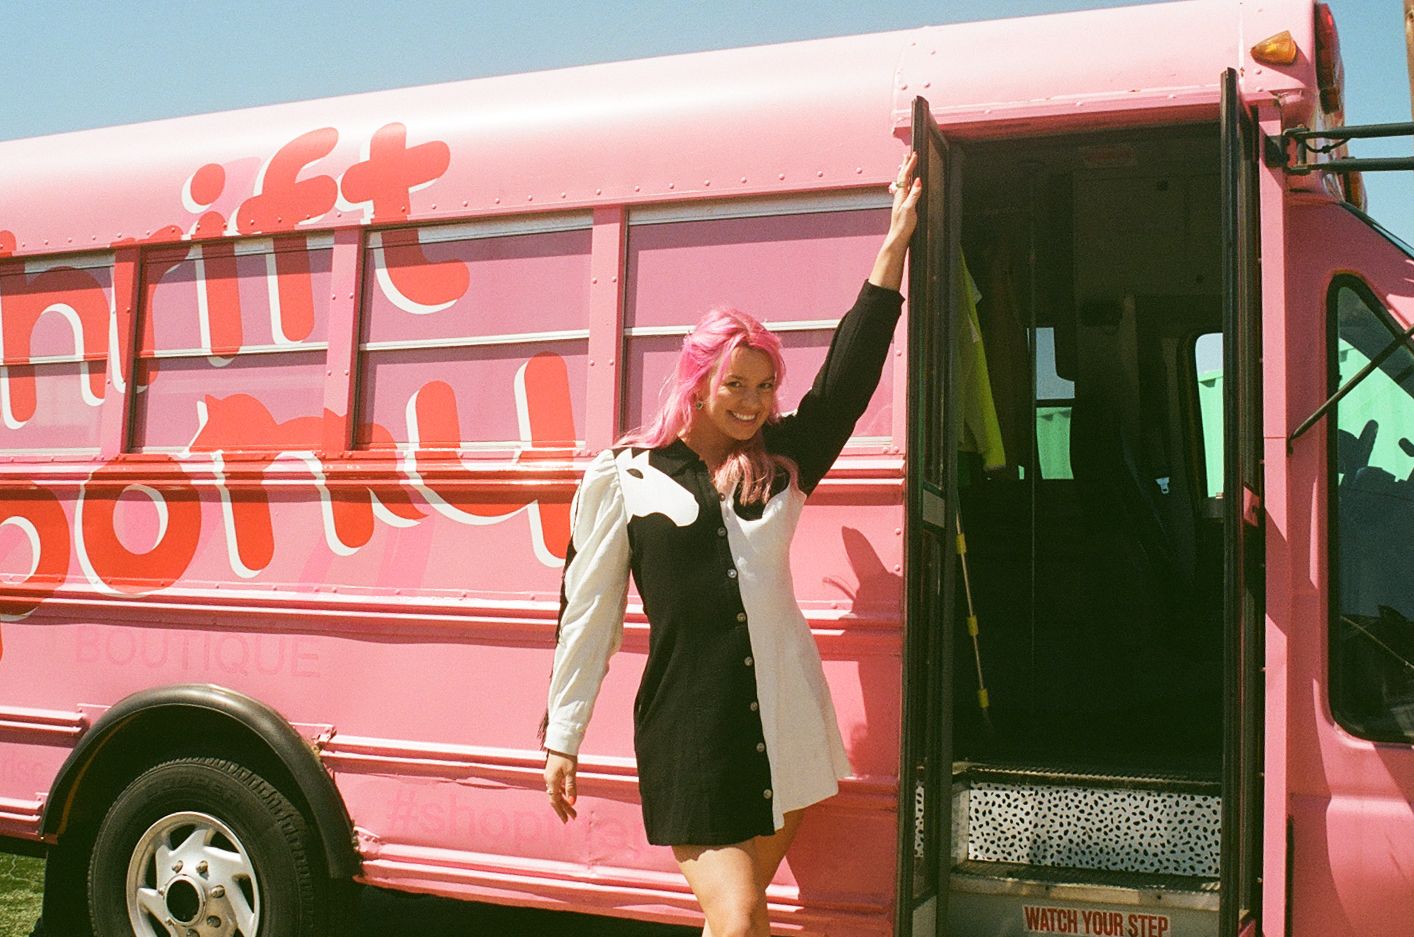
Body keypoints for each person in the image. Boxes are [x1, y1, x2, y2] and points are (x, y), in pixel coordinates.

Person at [541, 152, 921, 937]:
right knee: (742, 914)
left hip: (787, 727)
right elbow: (588, 612)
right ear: (697, 384)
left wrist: (894, 245)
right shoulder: (623, 476)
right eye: (735, 385)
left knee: (737, 925)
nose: (752, 401)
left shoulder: (783, 463)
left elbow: (848, 381)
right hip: (692, 735)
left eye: (764, 385)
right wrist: (563, 735)